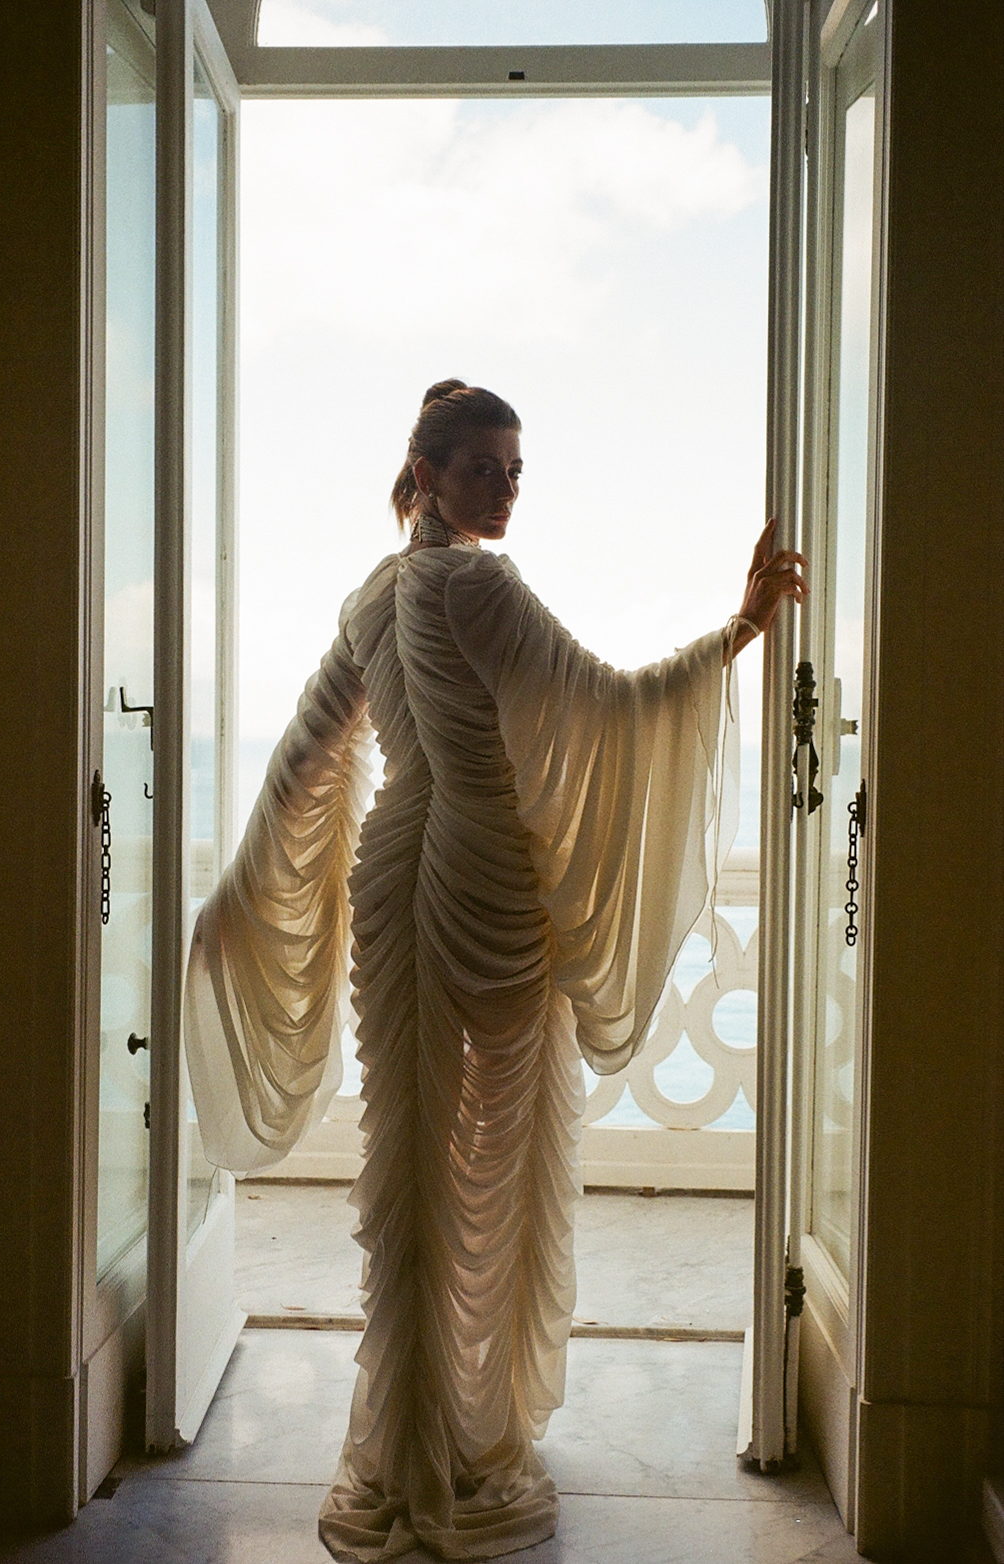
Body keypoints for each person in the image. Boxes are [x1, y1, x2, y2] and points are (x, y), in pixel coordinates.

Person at [184, 380, 807, 1563]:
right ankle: (465, 1438)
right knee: (491, 1160)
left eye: (515, 471)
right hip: (486, 883)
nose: (506, 489)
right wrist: (735, 634)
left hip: (395, 881)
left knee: (414, 1159)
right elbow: (607, 712)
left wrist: (242, 895)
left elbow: (308, 758)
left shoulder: (373, 597)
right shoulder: (481, 587)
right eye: (483, 467)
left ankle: (406, 1435)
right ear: (425, 473)